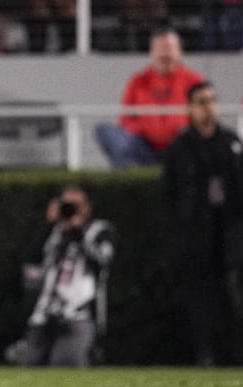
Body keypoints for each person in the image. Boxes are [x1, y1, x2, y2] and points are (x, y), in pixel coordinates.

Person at [162, 81, 243, 366]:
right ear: (190, 108)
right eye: (202, 101)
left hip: (230, 235)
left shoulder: (231, 143)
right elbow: (170, 194)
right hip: (197, 237)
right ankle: (205, 354)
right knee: (200, 300)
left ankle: (235, 354)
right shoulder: (180, 148)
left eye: (211, 100)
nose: (209, 107)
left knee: (233, 297)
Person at [21, 186, 114, 367]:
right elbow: (30, 263)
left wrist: (78, 232)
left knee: (67, 365)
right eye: (66, 205)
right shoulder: (54, 232)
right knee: (30, 367)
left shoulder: (98, 230)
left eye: (75, 205)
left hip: (80, 313)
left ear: (87, 207)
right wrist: (48, 224)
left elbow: (102, 262)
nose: (70, 210)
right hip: (44, 312)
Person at [95, 27, 204, 168]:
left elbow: (204, 117)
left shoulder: (194, 81)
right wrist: (143, 130)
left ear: (180, 51)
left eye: (169, 48)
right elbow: (126, 119)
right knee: (104, 130)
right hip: (144, 147)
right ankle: (134, 175)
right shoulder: (138, 80)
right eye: (161, 49)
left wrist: (184, 130)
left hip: (181, 147)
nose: (165, 54)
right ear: (152, 52)